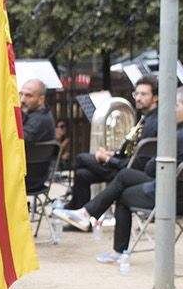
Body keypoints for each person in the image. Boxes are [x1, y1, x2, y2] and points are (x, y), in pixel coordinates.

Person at [55, 87, 183, 264]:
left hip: (171, 198)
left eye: (175, 105)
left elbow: (150, 169)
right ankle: (86, 213)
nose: (171, 110)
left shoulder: (178, 136)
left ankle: (116, 248)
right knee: (125, 175)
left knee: (123, 196)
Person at [67, 74, 157, 210]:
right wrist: (113, 154)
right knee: (82, 175)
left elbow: (139, 161)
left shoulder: (152, 123)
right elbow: (132, 149)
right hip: (124, 163)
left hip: (129, 170)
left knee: (81, 158)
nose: (138, 98)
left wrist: (109, 160)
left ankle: (75, 208)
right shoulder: (147, 117)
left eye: (143, 94)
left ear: (155, 97)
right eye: (136, 93)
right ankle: (76, 211)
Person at [19, 77, 54, 143]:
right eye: (21, 94)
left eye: (28, 95)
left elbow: (18, 141)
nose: (22, 100)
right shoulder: (35, 115)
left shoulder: (41, 119)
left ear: (41, 99)